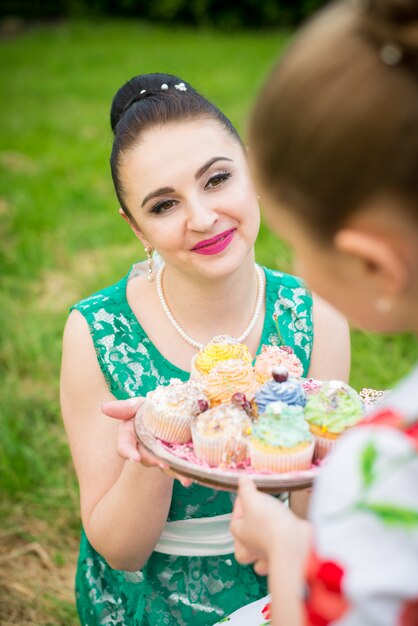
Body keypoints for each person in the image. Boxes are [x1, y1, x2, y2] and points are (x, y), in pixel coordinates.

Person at [60, 72, 350, 625]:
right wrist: (156, 444)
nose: (201, 217)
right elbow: (120, 550)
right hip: (150, 594)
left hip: (276, 576)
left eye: (217, 179)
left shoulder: (317, 314)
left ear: (253, 171)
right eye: (163, 205)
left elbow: (317, 509)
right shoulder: (95, 331)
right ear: (136, 229)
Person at [218, 1, 418, 624]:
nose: (296, 273)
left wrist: (285, 546)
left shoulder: (385, 461)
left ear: (375, 266)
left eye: (301, 247)